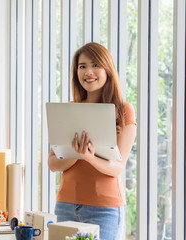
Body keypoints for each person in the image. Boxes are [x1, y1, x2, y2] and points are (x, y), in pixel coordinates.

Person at [48, 42, 137, 240]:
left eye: (95, 64)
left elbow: (117, 167)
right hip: (65, 206)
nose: (89, 71)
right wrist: (76, 155)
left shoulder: (123, 110)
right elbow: (52, 163)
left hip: (104, 210)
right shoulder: (68, 109)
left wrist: (88, 157)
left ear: (107, 69)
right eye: (82, 66)